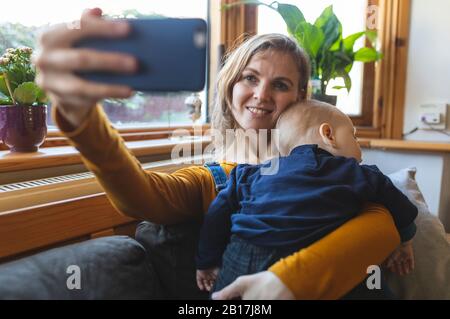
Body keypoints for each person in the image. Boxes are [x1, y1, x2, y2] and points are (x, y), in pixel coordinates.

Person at [34, 8, 401, 300]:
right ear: (230, 89)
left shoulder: (332, 166)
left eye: (281, 84)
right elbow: (142, 197)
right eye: (250, 78)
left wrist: (288, 281)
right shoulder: (216, 177)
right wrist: (82, 120)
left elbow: (383, 224)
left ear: (301, 97)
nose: (261, 94)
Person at [196, 100, 417, 299]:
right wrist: (405, 241)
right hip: (307, 257)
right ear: (328, 134)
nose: (359, 147)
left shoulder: (248, 174)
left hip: (243, 256)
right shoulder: (356, 172)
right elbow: (400, 205)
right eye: (354, 136)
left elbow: (217, 215)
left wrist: (206, 262)